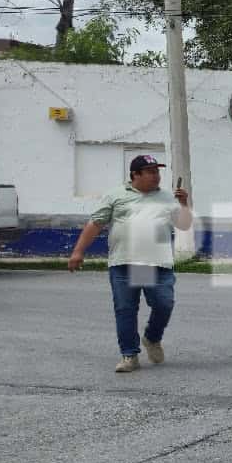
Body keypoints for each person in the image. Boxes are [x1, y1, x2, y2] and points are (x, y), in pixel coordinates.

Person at [68, 155, 193, 373]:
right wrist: (78, 252)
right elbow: (96, 223)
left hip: (156, 263)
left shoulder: (167, 197)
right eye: (151, 172)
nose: (157, 176)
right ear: (135, 175)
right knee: (126, 309)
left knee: (164, 303)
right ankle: (129, 355)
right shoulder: (116, 195)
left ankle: (152, 338)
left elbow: (183, 225)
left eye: (157, 171)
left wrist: (183, 204)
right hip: (125, 262)